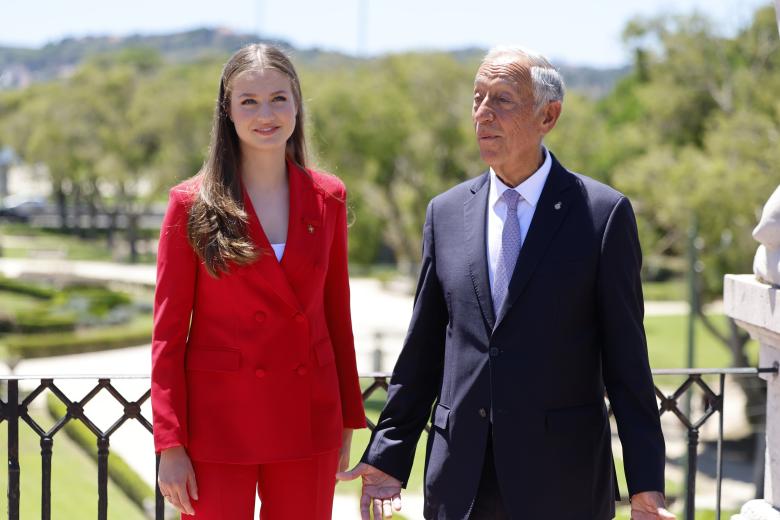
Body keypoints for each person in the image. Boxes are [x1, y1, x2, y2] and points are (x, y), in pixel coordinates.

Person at [338, 46, 675, 520]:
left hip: (563, 482)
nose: (483, 114)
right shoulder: (446, 213)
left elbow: (628, 364)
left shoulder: (602, 215)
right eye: (477, 99)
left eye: (502, 99)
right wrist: (390, 455)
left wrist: (647, 487)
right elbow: (423, 350)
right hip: (460, 480)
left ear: (548, 116)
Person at [151, 43, 366, 520]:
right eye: (248, 101)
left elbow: (337, 317)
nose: (265, 113)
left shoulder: (328, 197)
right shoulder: (191, 204)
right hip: (218, 423)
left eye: (278, 98)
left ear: (296, 105)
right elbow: (167, 336)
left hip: (308, 416)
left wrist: (348, 418)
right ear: (226, 111)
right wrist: (170, 443)